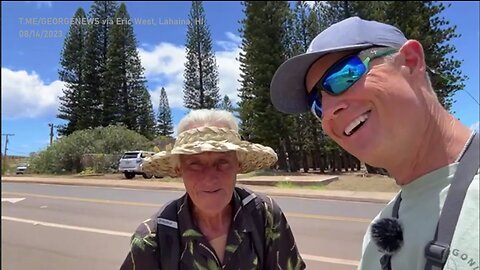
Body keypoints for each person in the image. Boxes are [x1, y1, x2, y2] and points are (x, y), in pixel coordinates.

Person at [269, 16, 479, 270]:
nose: (329, 112)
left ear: (411, 62)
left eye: (343, 76)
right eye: (318, 104)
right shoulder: (378, 236)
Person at [120, 109, 306, 270]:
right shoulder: (152, 238)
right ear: (179, 169)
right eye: (194, 163)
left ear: (238, 164)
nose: (209, 177)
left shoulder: (264, 214)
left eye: (222, 162)